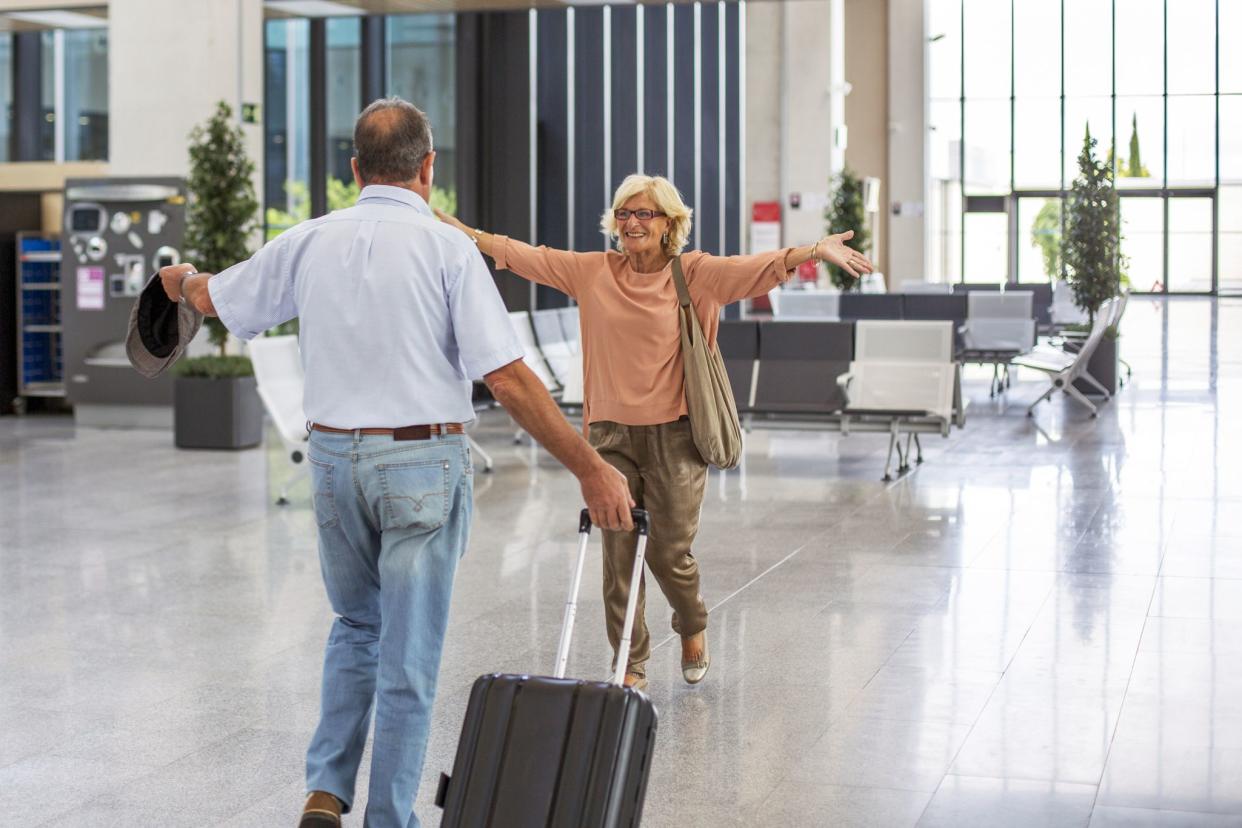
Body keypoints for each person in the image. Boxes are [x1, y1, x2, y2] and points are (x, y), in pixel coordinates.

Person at [158, 97, 633, 828]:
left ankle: (325, 792)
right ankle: (388, 818)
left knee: (355, 626)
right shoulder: (447, 249)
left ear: (355, 169)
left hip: (329, 462)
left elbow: (216, 298)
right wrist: (590, 467)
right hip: (419, 462)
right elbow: (505, 377)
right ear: (429, 167)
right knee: (408, 651)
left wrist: (181, 279)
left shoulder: (307, 239)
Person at [436, 174, 873, 691]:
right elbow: (518, 252)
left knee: (668, 552)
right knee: (619, 555)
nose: (633, 223)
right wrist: (452, 228)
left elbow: (756, 269)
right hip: (609, 437)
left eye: (645, 214)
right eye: (624, 213)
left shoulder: (695, 274)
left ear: (670, 223)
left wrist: (813, 250)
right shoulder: (593, 272)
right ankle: (630, 665)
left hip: (677, 437)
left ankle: (692, 623)